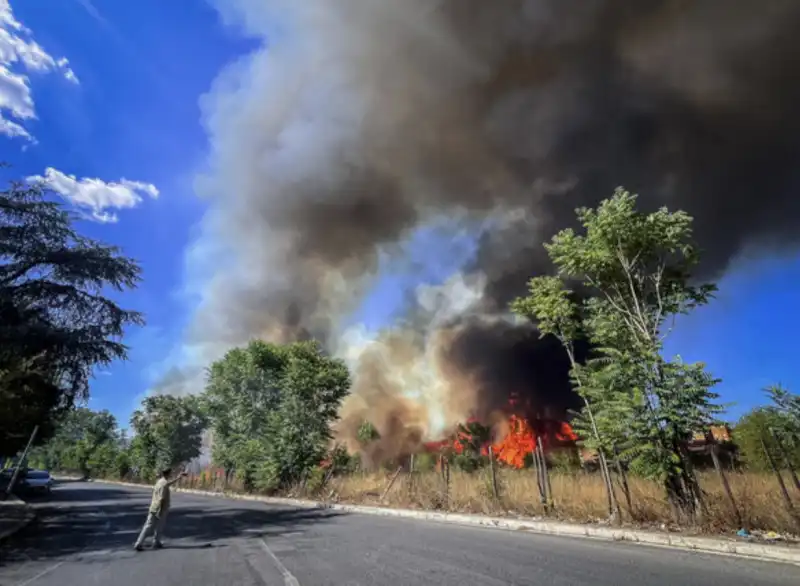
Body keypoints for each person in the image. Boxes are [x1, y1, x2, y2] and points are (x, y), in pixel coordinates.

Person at [134, 468, 187, 551]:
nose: (171, 475)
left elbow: (168, 484)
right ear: (168, 474)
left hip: (153, 507)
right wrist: (161, 511)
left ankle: (141, 542)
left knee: (149, 526)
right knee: (158, 526)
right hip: (159, 508)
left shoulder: (160, 481)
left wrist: (178, 478)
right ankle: (151, 542)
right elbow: (161, 498)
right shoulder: (164, 484)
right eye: (170, 473)